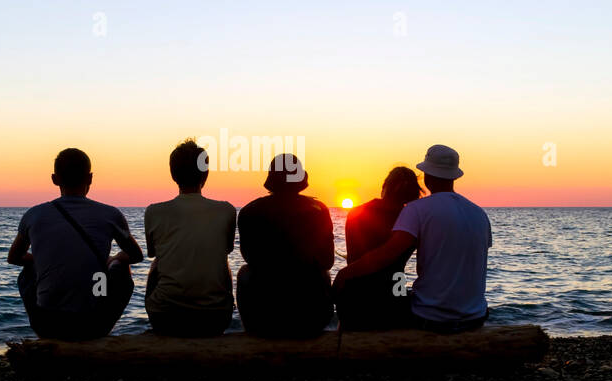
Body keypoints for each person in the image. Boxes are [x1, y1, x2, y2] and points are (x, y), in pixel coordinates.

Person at [334, 144, 491, 333]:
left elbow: (386, 255)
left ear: (426, 175)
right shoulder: (479, 213)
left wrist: (344, 274)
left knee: (393, 297)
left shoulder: (416, 211)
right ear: (455, 176)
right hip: (476, 317)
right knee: (399, 291)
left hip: (431, 319)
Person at [6, 147, 143, 340]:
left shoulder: (34, 215)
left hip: (47, 324)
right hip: (93, 324)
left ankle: (44, 333)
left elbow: (14, 258)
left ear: (54, 179)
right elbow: (136, 256)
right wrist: (113, 259)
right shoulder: (110, 214)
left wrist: (44, 260)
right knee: (122, 268)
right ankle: (103, 330)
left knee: (28, 271)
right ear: (90, 178)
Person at [143, 139, 237, 336]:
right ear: (205, 174)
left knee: (156, 263)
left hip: (165, 318)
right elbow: (226, 250)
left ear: (173, 174)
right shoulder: (226, 210)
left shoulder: (154, 212)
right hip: (215, 319)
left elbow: (154, 254)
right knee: (225, 262)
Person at [235, 154, 334, 338]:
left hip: (263, 318)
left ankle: (251, 331)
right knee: (324, 273)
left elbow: (250, 258)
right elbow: (328, 261)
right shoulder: (319, 210)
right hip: (310, 319)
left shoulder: (250, 211)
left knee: (244, 272)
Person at [334, 166, 423, 330]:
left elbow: (354, 257)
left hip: (356, 301)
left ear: (385, 186)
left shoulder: (357, 213)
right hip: (393, 300)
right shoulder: (412, 221)